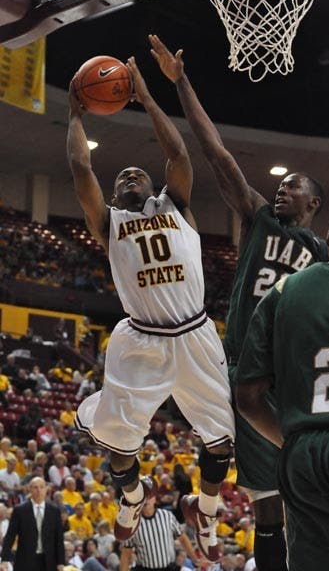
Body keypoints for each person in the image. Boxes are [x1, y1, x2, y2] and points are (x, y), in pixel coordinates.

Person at [148, 35, 329, 571]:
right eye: (282, 184)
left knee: (286, 507)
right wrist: (181, 83)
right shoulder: (261, 219)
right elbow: (217, 154)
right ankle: (201, 506)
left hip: (284, 382)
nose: (282, 191)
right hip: (237, 366)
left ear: (314, 203)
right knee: (264, 502)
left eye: (293, 186)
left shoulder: (321, 257)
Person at [68, 56, 235, 562]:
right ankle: (133, 499)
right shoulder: (109, 222)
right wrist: (76, 112)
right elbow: (80, 168)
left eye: (139, 173)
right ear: (118, 194)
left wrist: (145, 95)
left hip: (195, 332)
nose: (132, 175)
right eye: (124, 177)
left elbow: (178, 153)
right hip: (140, 339)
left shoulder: (176, 206)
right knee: (119, 441)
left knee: (223, 441)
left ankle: (206, 511)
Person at [236, 210, 329, 570]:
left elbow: (247, 397)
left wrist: (290, 440)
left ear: (328, 236)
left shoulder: (286, 289)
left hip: (303, 451)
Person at [0, 476, 65, 571]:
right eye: (35, 487)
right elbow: (10, 536)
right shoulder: (20, 510)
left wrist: (61, 562)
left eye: (42, 487)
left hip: (49, 561)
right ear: (30, 489)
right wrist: (5, 559)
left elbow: (59, 538)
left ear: (46, 489)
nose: (39, 490)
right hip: (25, 560)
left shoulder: (54, 511)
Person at [119, 495, 199, 571]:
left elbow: (183, 539)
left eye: (148, 497)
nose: (145, 500)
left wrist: (195, 559)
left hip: (169, 568)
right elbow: (126, 554)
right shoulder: (132, 523)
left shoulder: (167, 516)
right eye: (142, 498)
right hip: (145, 569)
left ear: (154, 499)